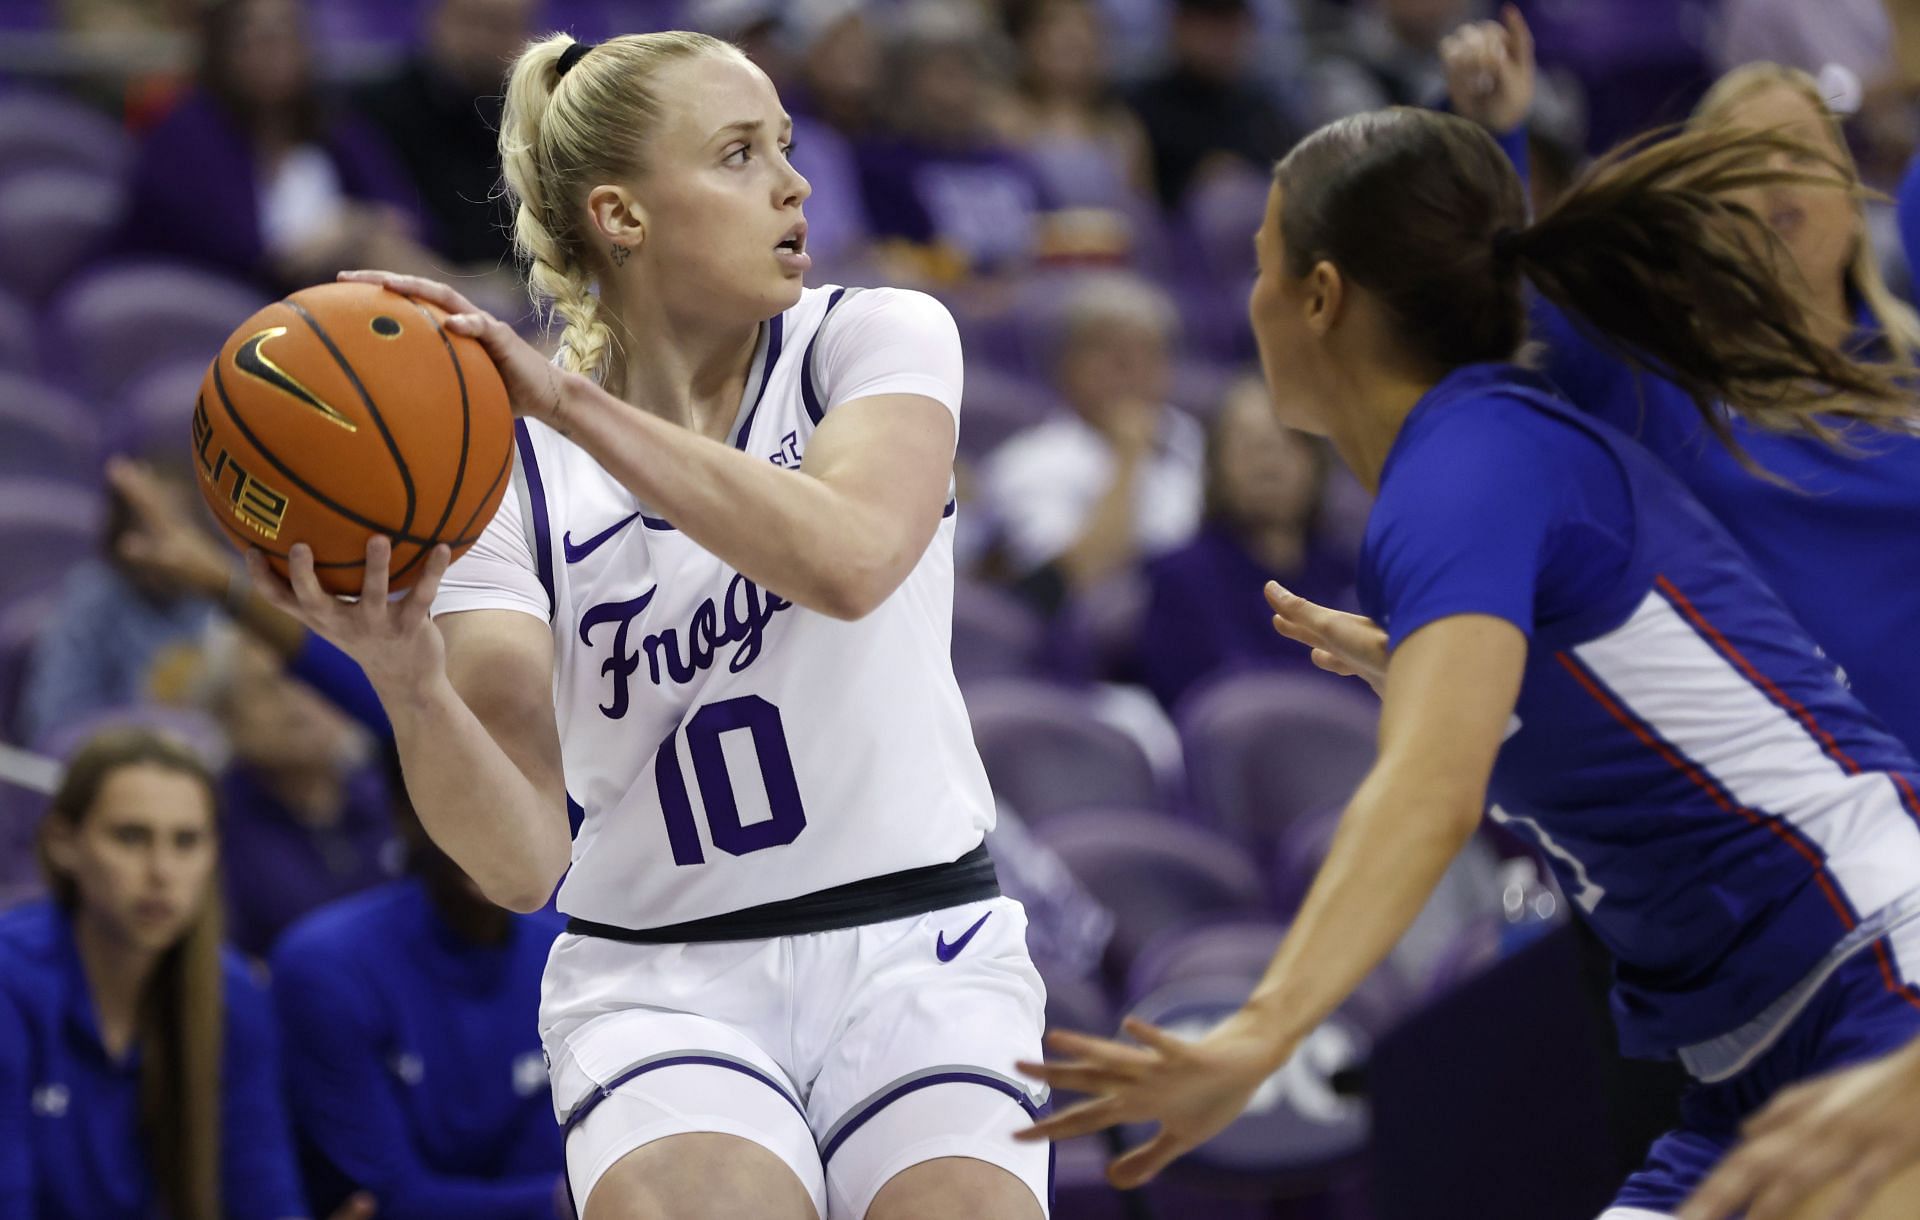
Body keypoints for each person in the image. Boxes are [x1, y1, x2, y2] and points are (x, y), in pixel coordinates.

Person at [1013, 105, 1920, 1219]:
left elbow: (1426, 793)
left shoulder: (1467, 462)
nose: (1247, 301)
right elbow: (1609, 713)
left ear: (1320, 296)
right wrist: (1438, 680)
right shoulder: (1465, 472)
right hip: (1746, 1059)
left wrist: (1263, 1024)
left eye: (1261, 264)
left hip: (1878, 969)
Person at [244, 28, 1048, 1220]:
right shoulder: (497, 474)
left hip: (917, 936)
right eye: (738, 153)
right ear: (622, 215)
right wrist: (409, 683)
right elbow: (520, 861)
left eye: (783, 143)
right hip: (665, 979)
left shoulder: (868, 338)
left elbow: (851, 557)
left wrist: (571, 400)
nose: (795, 181)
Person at [1442, 10, 1920, 756]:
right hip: (1796, 808)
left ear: (1856, 206)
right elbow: (1504, 305)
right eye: (1742, 163)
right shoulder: (1659, 384)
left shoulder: (1912, 365)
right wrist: (1498, 133)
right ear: (1702, 226)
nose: (1774, 178)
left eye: (1799, 151)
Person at [0, 727, 374, 1220]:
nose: (161, 871)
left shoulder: (232, 994)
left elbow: (263, 1197)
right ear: (64, 843)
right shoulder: (10, 979)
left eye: (187, 841)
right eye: (131, 837)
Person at [272, 746, 568, 1220]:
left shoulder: (568, 956)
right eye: (462, 797)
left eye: (512, 796)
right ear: (406, 811)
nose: (490, 826)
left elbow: (551, 1172)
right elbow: (391, 1201)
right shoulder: (326, 968)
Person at [119, 0, 440, 292]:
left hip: (332, 291)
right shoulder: (184, 132)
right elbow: (239, 250)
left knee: (384, 248)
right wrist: (341, 235)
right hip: (216, 298)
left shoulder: (332, 124)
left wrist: (353, 226)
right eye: (257, 37)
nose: (274, 50)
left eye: (287, 34)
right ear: (222, 47)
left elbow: (409, 216)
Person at [980, 272, 1203, 610]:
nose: (1131, 367)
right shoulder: (1026, 463)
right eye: (1108, 349)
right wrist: (1129, 457)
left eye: (1149, 351)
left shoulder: (1198, 441)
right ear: (1065, 366)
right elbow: (1069, 580)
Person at [1134, 375, 1355, 711]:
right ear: (1216, 464)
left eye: (1288, 440)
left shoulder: (1355, 577)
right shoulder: (1179, 577)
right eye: (1248, 444)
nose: (1268, 461)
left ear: (1316, 461)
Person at [213, 635, 396, 959]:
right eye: (272, 686)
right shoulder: (209, 821)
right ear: (226, 710)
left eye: (314, 681)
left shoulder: (394, 799)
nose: (298, 704)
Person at [352, 0, 540, 273]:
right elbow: (377, 231)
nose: (485, 42)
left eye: (503, 26)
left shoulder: (539, 116)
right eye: (474, 21)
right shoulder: (374, 112)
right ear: (437, 18)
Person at [1125, 0, 1296, 209]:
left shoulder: (1267, 110)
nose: (1219, 38)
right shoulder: (1141, 107)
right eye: (1208, 22)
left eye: (1229, 23)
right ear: (1179, 25)